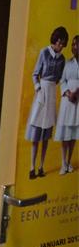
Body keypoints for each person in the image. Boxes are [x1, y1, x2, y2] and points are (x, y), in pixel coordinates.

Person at [25, 26, 68, 179]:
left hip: (51, 94)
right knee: (36, 133)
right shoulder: (44, 52)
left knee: (46, 135)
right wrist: (38, 88)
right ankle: (32, 167)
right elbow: (35, 74)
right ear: (55, 40)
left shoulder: (62, 59)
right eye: (59, 42)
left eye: (63, 43)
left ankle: (41, 167)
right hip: (41, 92)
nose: (60, 45)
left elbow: (60, 78)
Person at [54, 34, 79, 174]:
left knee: (73, 133)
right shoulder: (67, 63)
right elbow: (62, 80)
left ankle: (69, 162)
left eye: (76, 44)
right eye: (73, 44)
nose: (74, 47)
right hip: (67, 100)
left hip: (78, 101)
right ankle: (63, 163)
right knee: (65, 133)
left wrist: (77, 93)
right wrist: (68, 93)